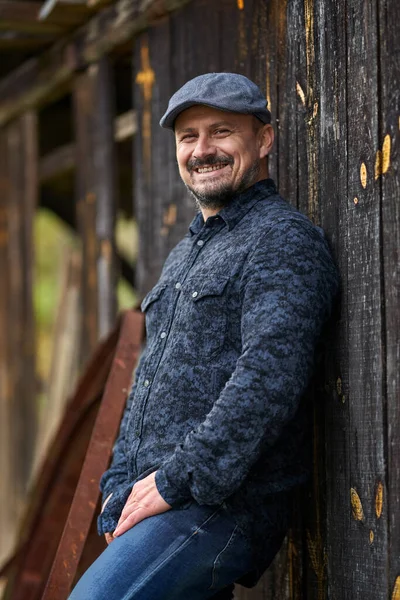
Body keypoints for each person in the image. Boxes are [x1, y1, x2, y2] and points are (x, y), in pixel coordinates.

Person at [68, 72, 338, 600]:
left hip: (218, 506)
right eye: (188, 137)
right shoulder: (186, 253)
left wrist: (173, 481)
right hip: (160, 504)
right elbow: (148, 383)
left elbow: (268, 380)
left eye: (221, 132)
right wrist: (118, 484)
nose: (202, 150)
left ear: (263, 140)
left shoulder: (282, 240)